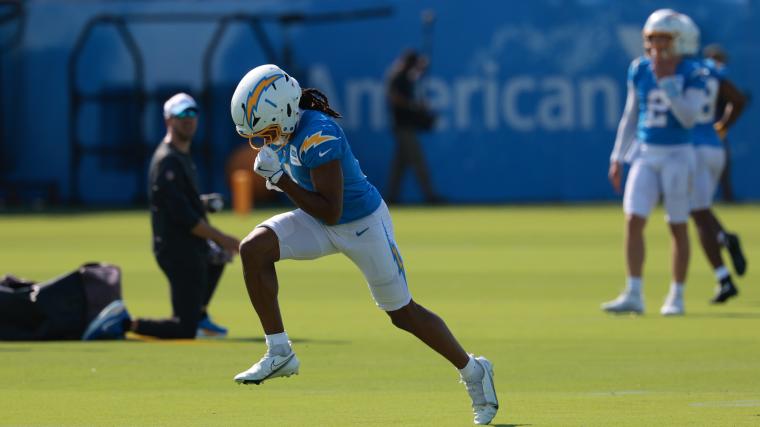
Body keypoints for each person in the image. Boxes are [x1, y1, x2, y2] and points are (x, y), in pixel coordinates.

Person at [228, 64, 498, 425]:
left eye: (268, 132)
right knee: (254, 248)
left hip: (361, 225)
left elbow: (332, 209)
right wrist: (283, 180)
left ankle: (474, 371)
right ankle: (279, 351)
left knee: (403, 313)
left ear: (287, 111)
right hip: (320, 220)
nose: (266, 141)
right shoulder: (291, 130)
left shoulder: (318, 135)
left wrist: (280, 179)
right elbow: (318, 210)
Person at [83, 93, 241, 340]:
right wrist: (223, 237)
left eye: (191, 114)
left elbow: (181, 201)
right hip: (177, 248)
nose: (188, 120)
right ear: (168, 120)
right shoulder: (167, 161)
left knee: (217, 258)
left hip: (190, 245)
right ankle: (125, 323)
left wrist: (204, 203)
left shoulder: (181, 156)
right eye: (181, 115)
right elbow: (184, 217)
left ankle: (199, 314)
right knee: (184, 330)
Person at [603, 9, 707, 316]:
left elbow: (689, 117)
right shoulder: (639, 68)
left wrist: (670, 85)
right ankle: (634, 292)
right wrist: (617, 156)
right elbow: (631, 114)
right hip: (646, 152)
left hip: (678, 153)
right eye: (653, 39)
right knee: (634, 219)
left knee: (677, 224)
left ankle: (677, 295)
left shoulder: (693, 71)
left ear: (681, 41)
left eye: (664, 38)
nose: (657, 46)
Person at [677, 14, 747, 303]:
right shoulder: (709, 70)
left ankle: (724, 276)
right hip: (713, 146)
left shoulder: (679, 71)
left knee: (697, 216)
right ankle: (725, 241)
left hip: (691, 148)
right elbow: (738, 99)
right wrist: (723, 127)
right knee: (700, 211)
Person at [385, 49, 443, 204]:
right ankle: (430, 196)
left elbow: (414, 77)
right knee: (418, 162)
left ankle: (391, 197)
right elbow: (394, 98)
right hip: (403, 127)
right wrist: (414, 105)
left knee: (399, 166)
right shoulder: (397, 76)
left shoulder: (403, 76)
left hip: (405, 126)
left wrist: (421, 68)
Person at [702, 43, 747, 203]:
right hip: (694, 133)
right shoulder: (698, 76)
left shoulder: (718, 79)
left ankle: (727, 197)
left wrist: (723, 124)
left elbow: (737, 100)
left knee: (722, 170)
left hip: (710, 133)